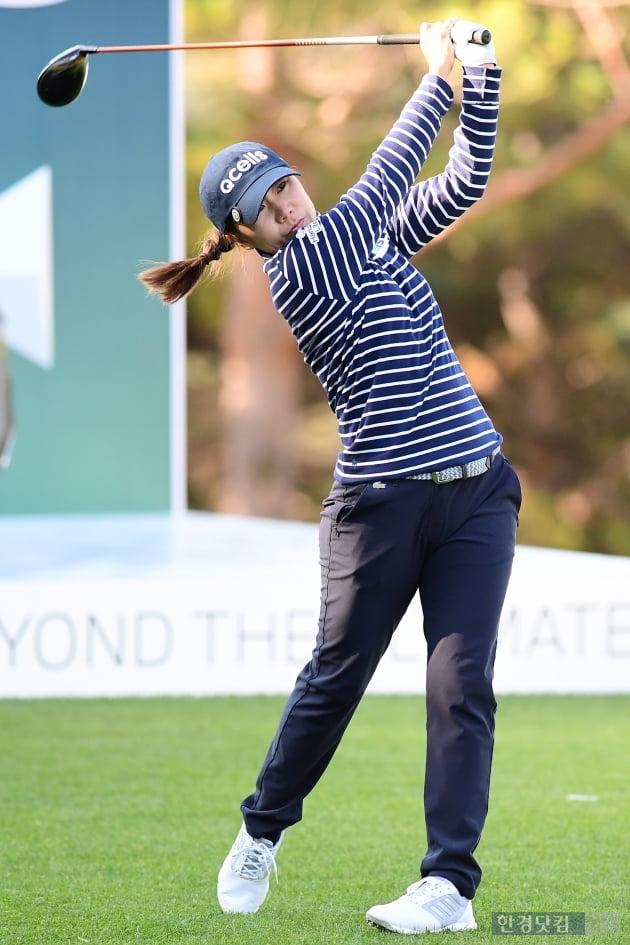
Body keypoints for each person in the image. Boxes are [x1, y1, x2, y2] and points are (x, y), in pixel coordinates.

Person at [140, 18, 521, 935]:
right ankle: (262, 827)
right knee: (336, 679)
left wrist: (484, 72)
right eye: (268, 208)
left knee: (460, 683)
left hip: (475, 489)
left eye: (287, 185)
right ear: (248, 234)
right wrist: (438, 73)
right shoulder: (304, 270)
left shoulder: (363, 238)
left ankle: (449, 887)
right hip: (379, 510)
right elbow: (388, 177)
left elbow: (464, 179)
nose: (290, 206)